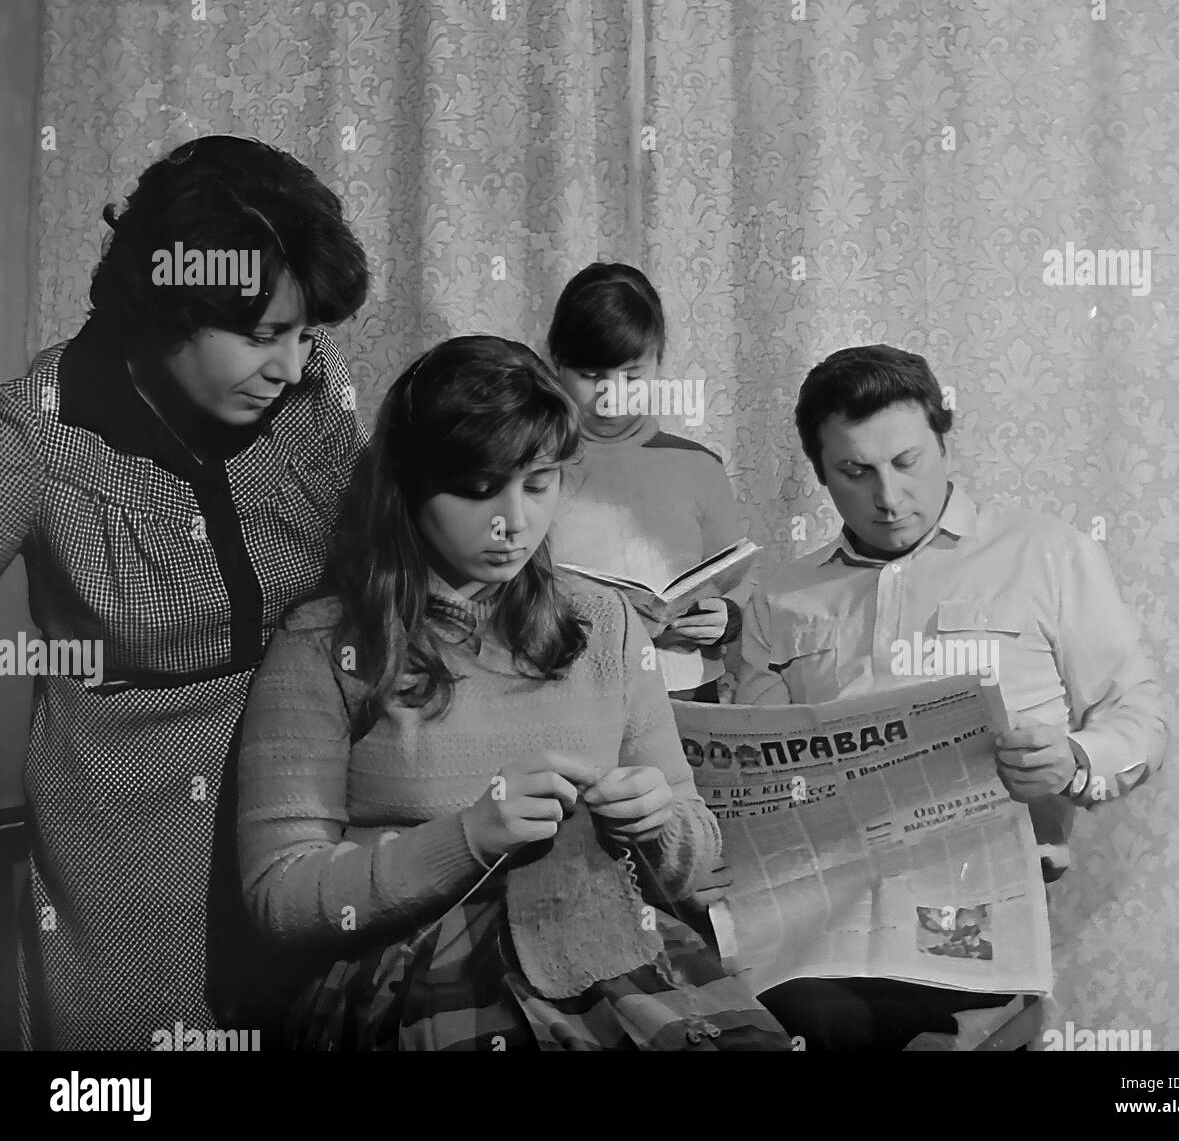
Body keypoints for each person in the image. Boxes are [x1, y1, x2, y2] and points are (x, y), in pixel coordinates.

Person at [237, 337, 769, 1051]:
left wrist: (656, 824)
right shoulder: (325, 642)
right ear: (409, 485)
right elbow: (280, 896)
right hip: (413, 965)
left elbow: (695, 855)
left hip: (602, 941)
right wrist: (466, 838)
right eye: (477, 489)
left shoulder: (604, 622)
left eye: (539, 482)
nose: (511, 523)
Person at [0, 135, 369, 1049]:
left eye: (301, 334)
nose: (288, 364)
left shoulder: (310, 400)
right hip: (124, 841)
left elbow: (385, 562)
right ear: (167, 308)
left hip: (304, 801)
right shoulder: (39, 431)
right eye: (259, 336)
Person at [729, 344, 1169, 1050]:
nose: (888, 497)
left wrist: (1075, 761)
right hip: (821, 926)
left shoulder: (1047, 555)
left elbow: (1141, 718)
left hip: (977, 913)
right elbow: (758, 775)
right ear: (820, 473)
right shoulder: (782, 597)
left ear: (943, 440)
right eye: (854, 472)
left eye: (907, 463)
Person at [544, 263, 749, 700]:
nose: (611, 394)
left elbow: (739, 583)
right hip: (568, 693)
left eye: (632, 375)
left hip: (686, 692)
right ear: (555, 363)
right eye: (591, 375)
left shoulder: (698, 466)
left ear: (659, 362)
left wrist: (726, 617)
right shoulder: (534, 469)